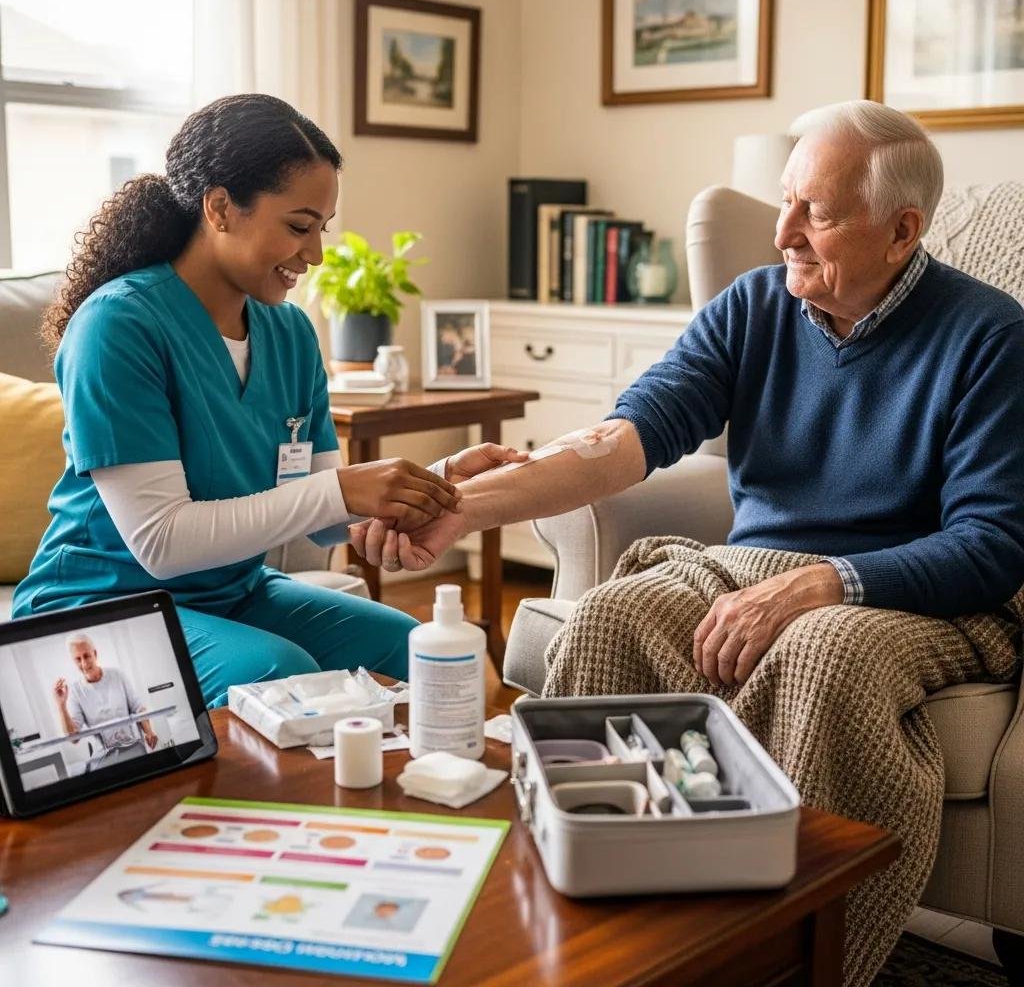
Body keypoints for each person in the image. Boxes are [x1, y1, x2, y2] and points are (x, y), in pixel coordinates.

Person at [352, 100, 1024, 987]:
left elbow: (992, 543)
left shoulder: (990, 337)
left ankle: (793, 958)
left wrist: (828, 582)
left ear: (901, 231)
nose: (782, 231)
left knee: (822, 651)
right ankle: (602, 929)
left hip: (916, 594)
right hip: (755, 567)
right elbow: (625, 437)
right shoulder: (755, 307)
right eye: (785, 201)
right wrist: (462, 507)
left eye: (813, 213)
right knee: (615, 616)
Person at [13, 94, 522, 708]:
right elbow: (162, 542)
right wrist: (347, 492)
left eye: (322, 229)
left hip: (232, 592)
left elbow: (331, 511)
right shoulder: (118, 327)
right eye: (299, 226)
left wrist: (428, 486)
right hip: (103, 604)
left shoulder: (290, 334)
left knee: (411, 645)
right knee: (277, 670)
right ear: (221, 207)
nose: (316, 255)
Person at [53, 633, 156, 768]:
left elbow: (138, 707)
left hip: (133, 747)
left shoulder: (117, 675)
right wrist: (61, 706)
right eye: (78, 659)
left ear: (95, 654)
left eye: (86, 656)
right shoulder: (75, 691)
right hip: (103, 757)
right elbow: (74, 738)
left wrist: (149, 731)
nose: (84, 664)